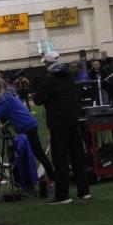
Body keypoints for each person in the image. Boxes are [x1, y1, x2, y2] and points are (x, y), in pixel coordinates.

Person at [33, 51, 90, 204]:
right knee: (77, 156)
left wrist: (38, 86)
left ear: (48, 63)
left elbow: (38, 100)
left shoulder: (49, 79)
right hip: (73, 120)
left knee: (60, 159)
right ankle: (84, 190)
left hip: (58, 124)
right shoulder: (70, 75)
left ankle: (63, 194)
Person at [0, 77, 55, 191]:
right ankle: (39, 179)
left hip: (27, 127)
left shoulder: (4, 99)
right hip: (29, 125)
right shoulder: (8, 95)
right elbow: (1, 110)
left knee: (38, 153)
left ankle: (53, 178)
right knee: (36, 153)